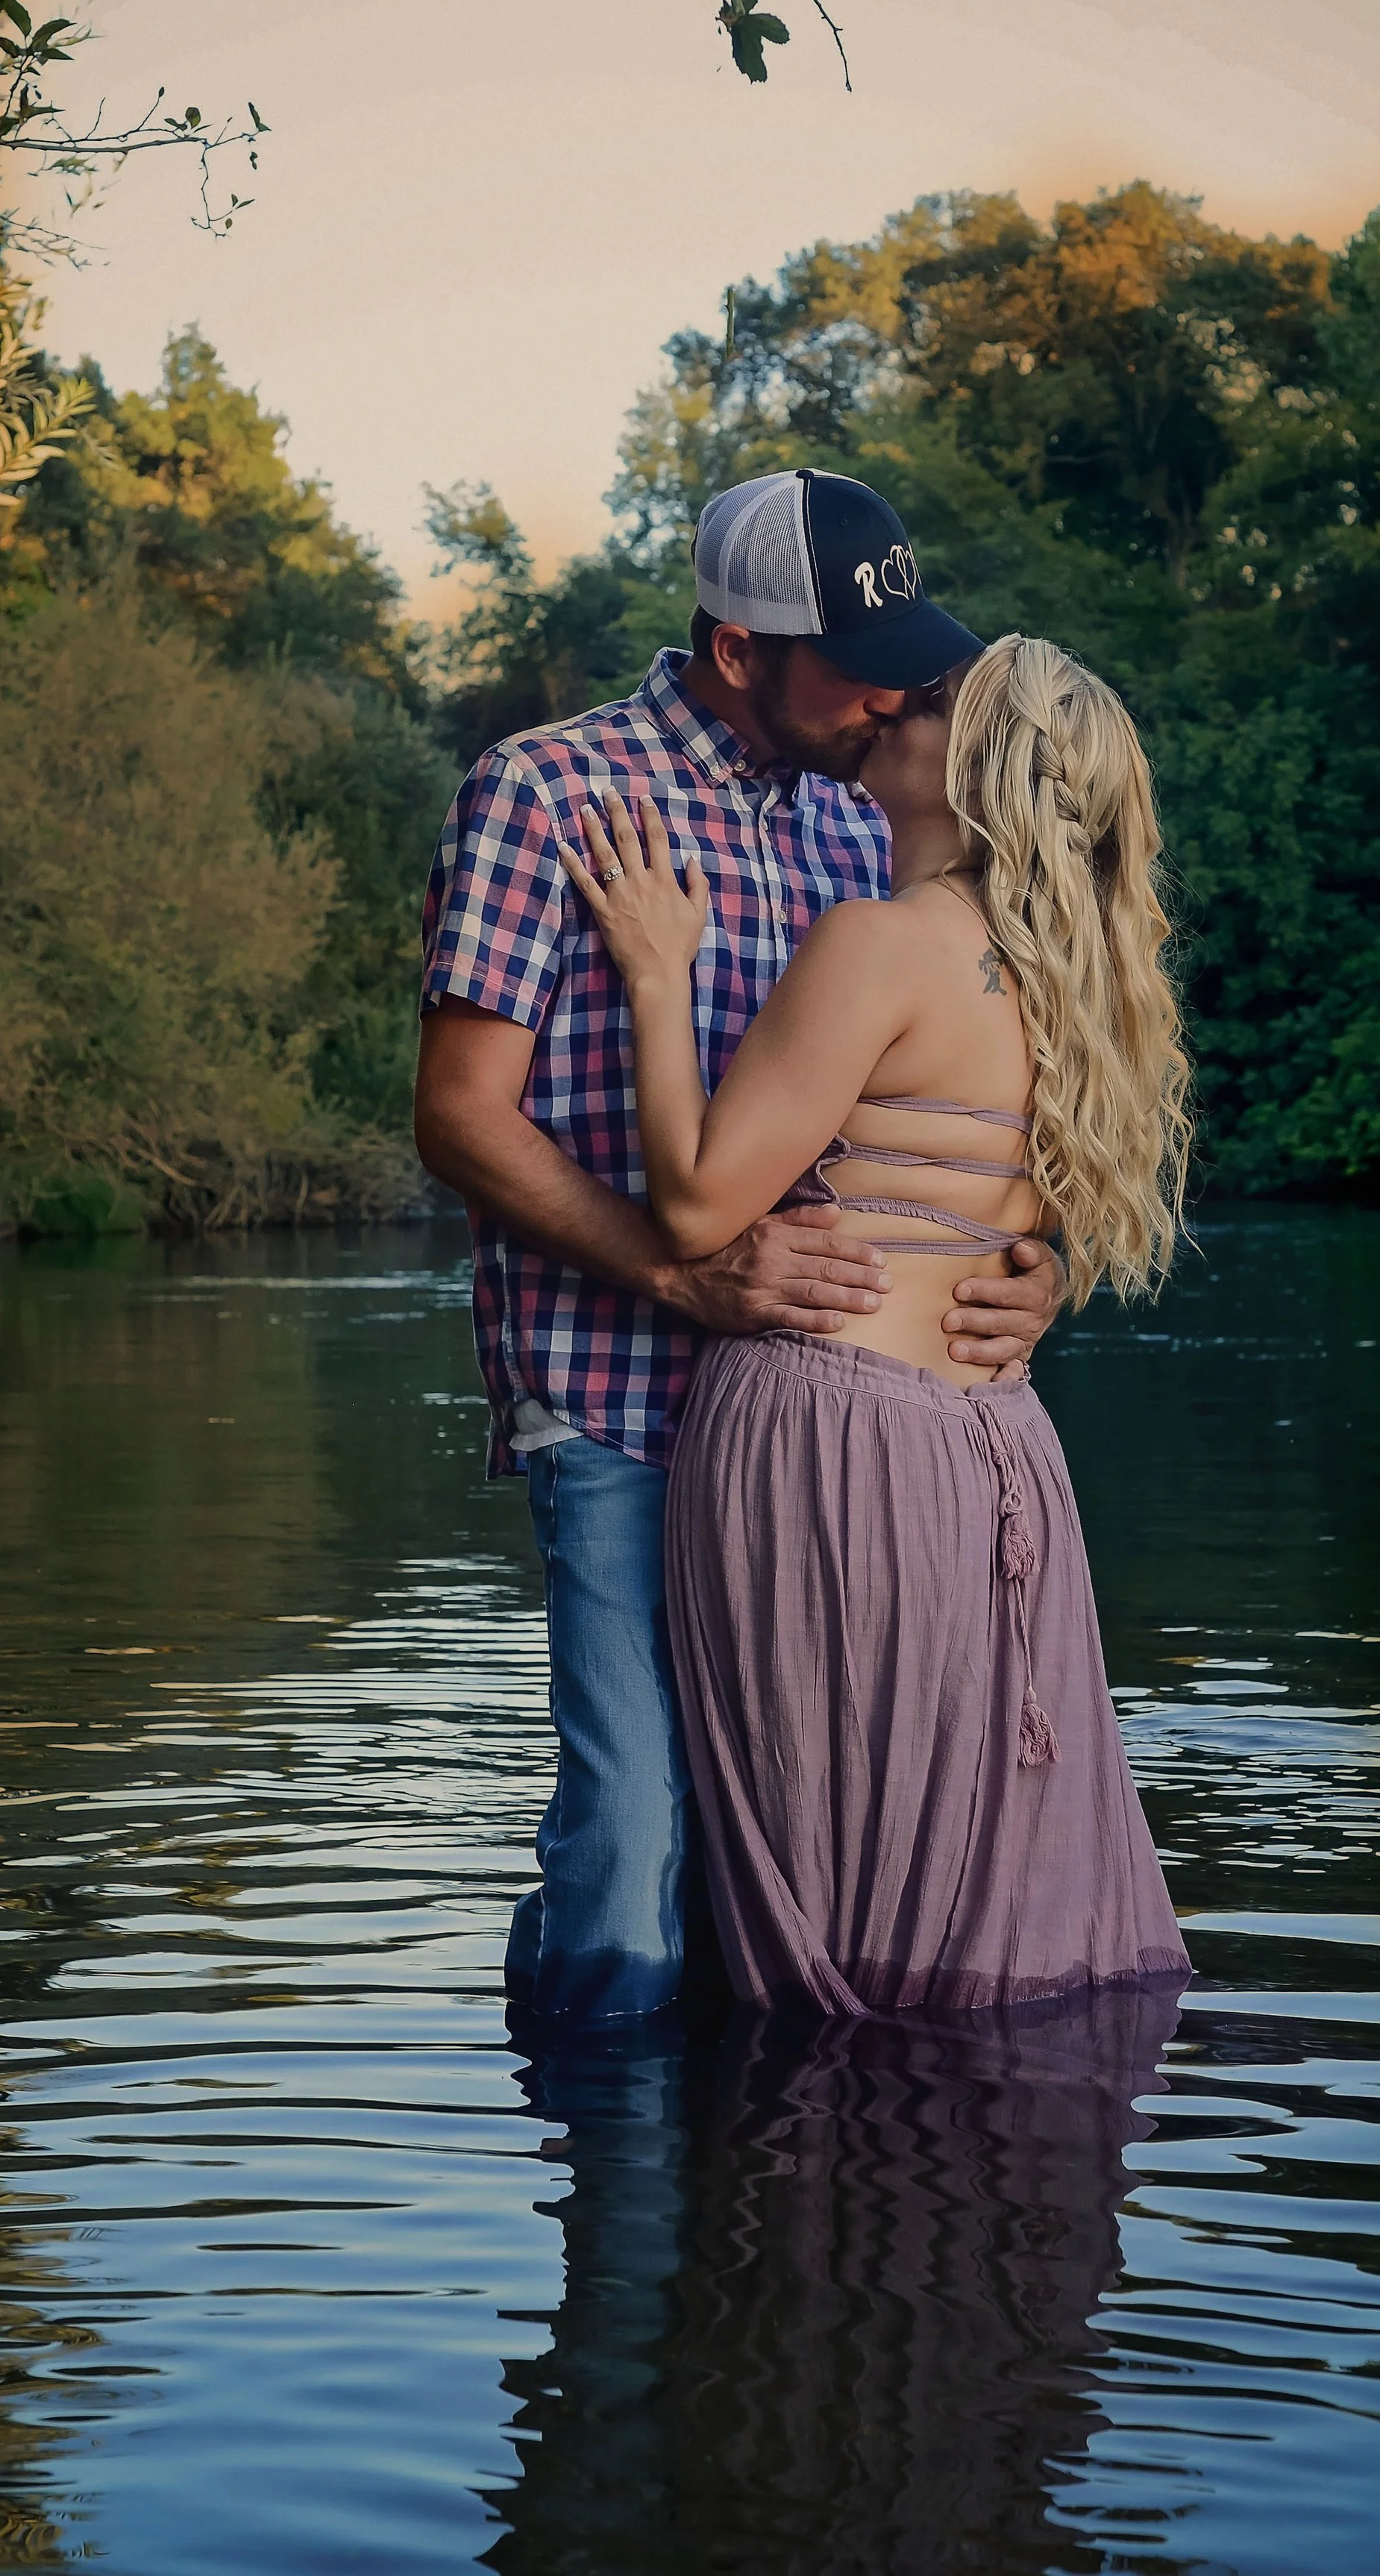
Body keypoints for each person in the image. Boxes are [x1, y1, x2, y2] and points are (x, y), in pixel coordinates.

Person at [414, 469, 1066, 2025]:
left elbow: (941, 1089)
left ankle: (724, 2169)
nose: (897, 698)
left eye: (910, 665)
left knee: (784, 1846)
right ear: (735, 650)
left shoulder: (871, 819)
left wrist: (1032, 1264)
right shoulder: (547, 791)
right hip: (618, 1395)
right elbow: (457, 1115)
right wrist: (672, 1273)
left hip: (824, 1437)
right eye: (862, 668)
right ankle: (606, 2155)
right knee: (637, 1829)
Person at [556, 634, 1194, 2016]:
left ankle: (806, 2134)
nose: (899, 700)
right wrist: (1044, 1276)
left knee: (838, 1846)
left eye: (937, 701)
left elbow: (698, 1204)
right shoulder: (1075, 973)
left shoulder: (880, 941)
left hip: (834, 1442)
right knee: (973, 1852)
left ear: (973, 770)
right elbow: (1018, 1220)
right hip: (997, 1442)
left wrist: (660, 975)